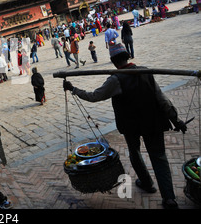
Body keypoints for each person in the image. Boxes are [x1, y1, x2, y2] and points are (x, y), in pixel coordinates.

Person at [63, 44, 188, 209]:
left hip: (132, 125)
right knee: (159, 157)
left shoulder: (115, 79)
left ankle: (146, 182)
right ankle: (168, 198)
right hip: (152, 122)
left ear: (114, 61)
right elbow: (162, 99)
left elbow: (94, 96)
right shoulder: (145, 72)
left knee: (134, 153)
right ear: (127, 57)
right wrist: (175, 119)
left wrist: (73, 89)